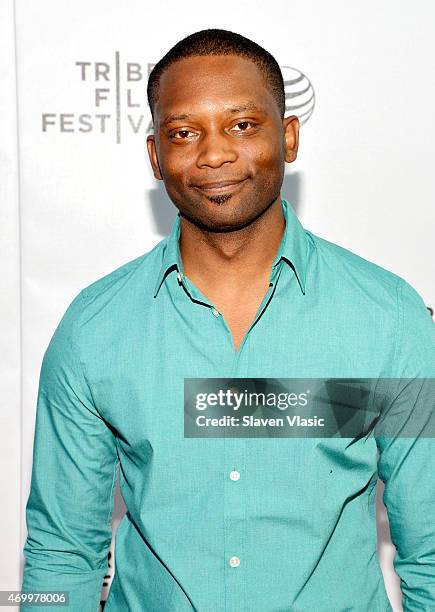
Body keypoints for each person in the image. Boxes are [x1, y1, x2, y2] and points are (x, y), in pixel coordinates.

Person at [21, 28, 435, 612]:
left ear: (288, 138)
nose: (213, 154)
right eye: (184, 132)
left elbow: (431, 546)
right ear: (155, 156)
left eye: (242, 125)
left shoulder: (389, 321)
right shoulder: (95, 330)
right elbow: (62, 551)